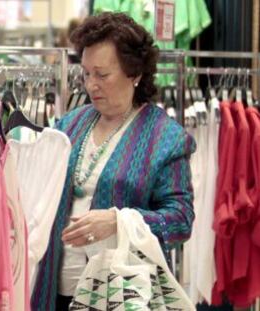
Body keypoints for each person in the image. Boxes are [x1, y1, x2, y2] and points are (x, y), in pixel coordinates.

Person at [31, 12, 196, 310]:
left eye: (102, 74)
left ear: (135, 74)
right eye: (86, 73)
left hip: (120, 293)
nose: (91, 85)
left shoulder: (166, 138)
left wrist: (119, 221)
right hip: (53, 289)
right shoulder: (68, 126)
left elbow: (181, 220)